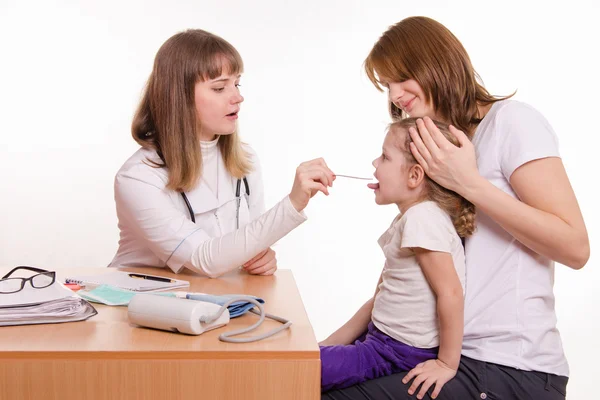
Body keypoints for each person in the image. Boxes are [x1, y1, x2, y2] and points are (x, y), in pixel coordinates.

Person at [323, 16, 589, 400]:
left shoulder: (512, 122)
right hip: (439, 352)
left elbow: (575, 248)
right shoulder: (434, 151)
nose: (395, 95)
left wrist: (469, 183)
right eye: (387, 86)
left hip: (505, 367)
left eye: (400, 78)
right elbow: (401, 283)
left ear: (435, 63)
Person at [109, 29, 334, 278]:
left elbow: (250, 241)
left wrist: (260, 257)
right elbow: (206, 260)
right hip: (135, 307)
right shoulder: (138, 178)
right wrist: (293, 204)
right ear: (178, 97)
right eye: (219, 88)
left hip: (211, 303)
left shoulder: (245, 160)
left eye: (237, 83)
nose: (238, 97)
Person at [320, 119, 474, 398]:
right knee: (306, 362)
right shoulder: (412, 218)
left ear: (414, 176)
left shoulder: (422, 218)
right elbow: (380, 296)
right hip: (381, 341)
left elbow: (450, 292)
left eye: (385, 157)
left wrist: (446, 363)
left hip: (396, 352)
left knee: (298, 372)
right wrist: (325, 346)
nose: (375, 163)